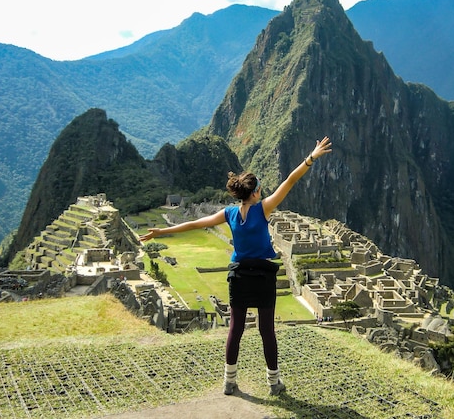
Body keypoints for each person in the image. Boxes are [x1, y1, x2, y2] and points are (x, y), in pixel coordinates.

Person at [140, 136, 332, 396]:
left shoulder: (229, 213)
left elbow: (197, 224)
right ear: (254, 192)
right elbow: (290, 181)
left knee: (236, 328)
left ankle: (229, 381)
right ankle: (274, 382)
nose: (262, 191)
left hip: (239, 275)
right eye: (260, 188)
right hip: (263, 276)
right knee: (267, 330)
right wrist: (311, 157)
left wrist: (162, 231)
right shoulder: (263, 209)